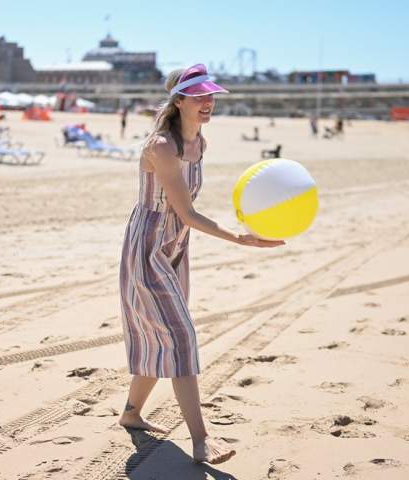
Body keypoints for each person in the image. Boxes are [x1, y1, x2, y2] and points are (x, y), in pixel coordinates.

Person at [118, 64, 285, 465]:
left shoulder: (200, 143)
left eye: (211, 95)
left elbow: (187, 217)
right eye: (199, 95)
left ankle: (131, 414)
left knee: (162, 335)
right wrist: (240, 238)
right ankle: (200, 441)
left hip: (176, 246)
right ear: (179, 101)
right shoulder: (161, 146)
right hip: (148, 250)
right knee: (181, 336)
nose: (208, 101)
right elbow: (187, 212)